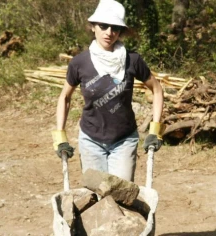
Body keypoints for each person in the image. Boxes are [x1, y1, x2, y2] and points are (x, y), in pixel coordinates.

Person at [52, 0, 164, 182]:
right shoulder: (80, 63)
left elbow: (157, 90)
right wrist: (60, 136)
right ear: (93, 27)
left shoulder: (132, 60)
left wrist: (155, 130)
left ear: (120, 31)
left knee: (122, 194)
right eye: (103, 26)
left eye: (115, 28)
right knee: (97, 195)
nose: (109, 32)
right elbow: (65, 97)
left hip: (124, 139)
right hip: (90, 139)